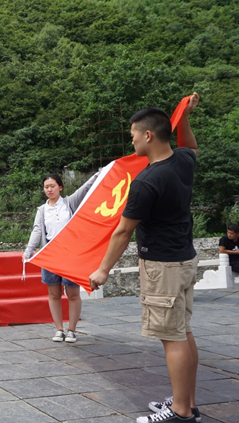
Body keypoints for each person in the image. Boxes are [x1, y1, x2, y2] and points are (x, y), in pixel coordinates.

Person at [89, 95, 200, 423]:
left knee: (172, 337)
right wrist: (185, 117)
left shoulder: (147, 181)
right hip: (185, 259)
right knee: (183, 331)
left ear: (148, 135)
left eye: (133, 134)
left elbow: (123, 232)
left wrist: (103, 270)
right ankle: (186, 401)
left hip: (162, 267)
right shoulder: (183, 161)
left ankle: (180, 412)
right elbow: (191, 147)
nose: (132, 140)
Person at [23, 171, 100, 343]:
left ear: (60, 187)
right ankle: (59, 329)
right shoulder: (42, 210)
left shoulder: (69, 203)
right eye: (46, 187)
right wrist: (28, 251)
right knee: (54, 293)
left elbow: (85, 188)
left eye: (52, 186)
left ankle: (71, 330)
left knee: (72, 293)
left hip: (70, 254)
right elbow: (37, 230)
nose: (49, 189)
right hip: (50, 254)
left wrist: (99, 174)